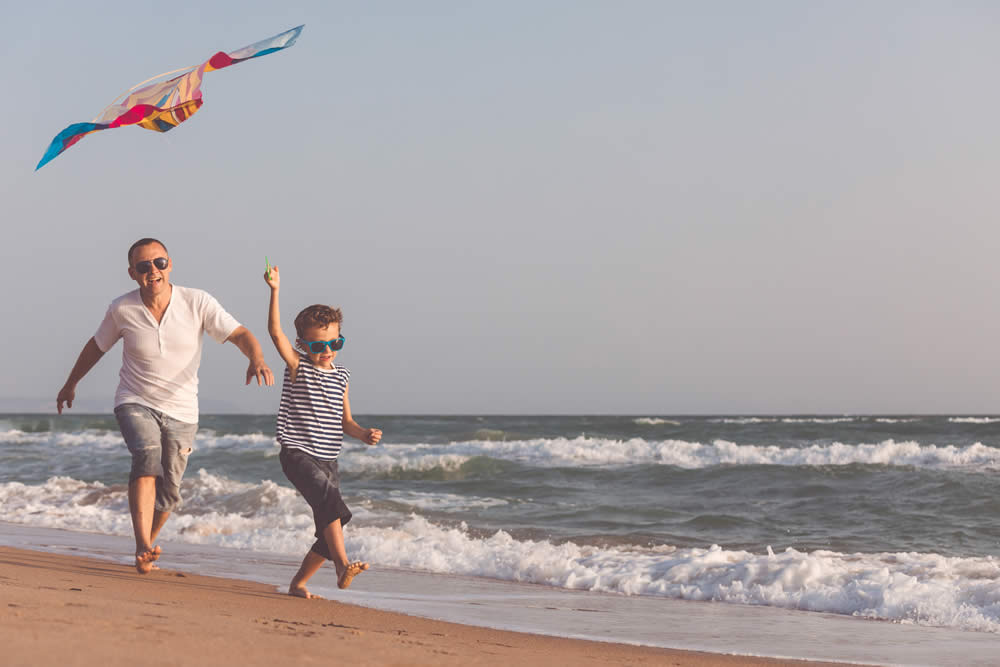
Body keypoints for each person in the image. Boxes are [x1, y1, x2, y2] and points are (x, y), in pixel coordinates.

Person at [57, 238, 274, 573]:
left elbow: (239, 333)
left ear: (170, 264)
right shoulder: (122, 308)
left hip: (183, 410)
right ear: (133, 273)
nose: (152, 271)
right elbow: (96, 347)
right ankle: (143, 543)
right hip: (135, 399)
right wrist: (71, 383)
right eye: (143, 266)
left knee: (170, 491)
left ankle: (146, 547)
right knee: (147, 456)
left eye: (158, 263)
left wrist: (256, 357)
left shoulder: (197, 301)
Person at [264, 264, 381, 596]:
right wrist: (275, 291)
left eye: (334, 342)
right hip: (298, 453)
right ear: (302, 345)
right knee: (332, 505)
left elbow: (346, 421)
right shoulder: (297, 366)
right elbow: (275, 333)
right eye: (317, 346)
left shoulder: (342, 376)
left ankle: (299, 582)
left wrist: (363, 434)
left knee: (333, 523)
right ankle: (343, 567)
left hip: (329, 458)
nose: (327, 351)